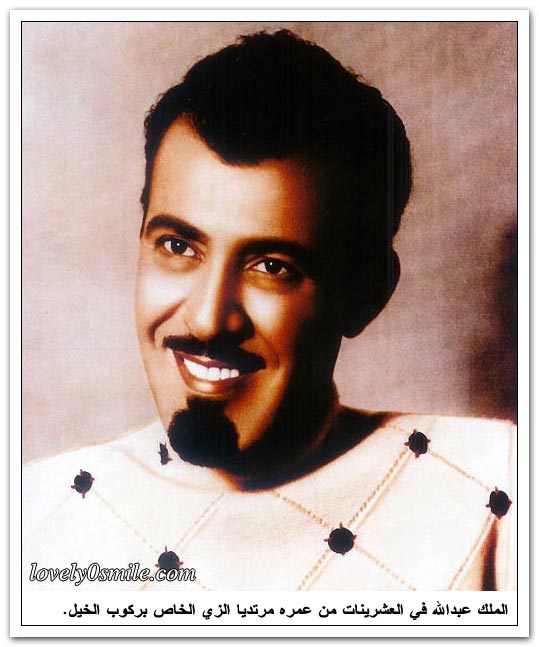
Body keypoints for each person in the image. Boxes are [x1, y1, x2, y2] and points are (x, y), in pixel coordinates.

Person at [23, 30, 515, 591]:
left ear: (366, 294)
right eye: (178, 246)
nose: (208, 319)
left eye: (272, 266)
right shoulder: (33, 518)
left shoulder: (497, 492)